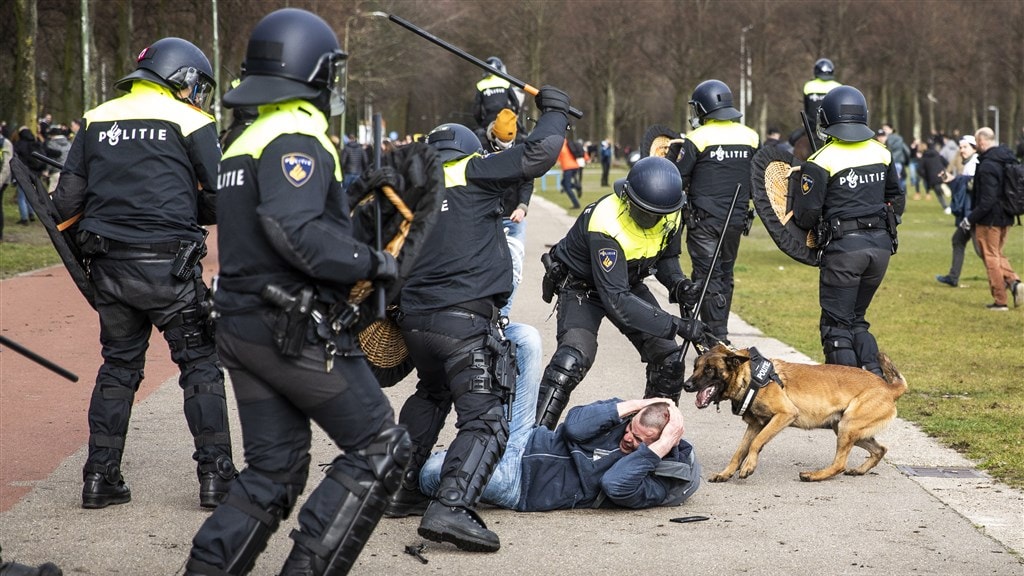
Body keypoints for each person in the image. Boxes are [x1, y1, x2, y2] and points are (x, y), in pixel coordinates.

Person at [183, 9, 409, 575]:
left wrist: (351, 191)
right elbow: (294, 232)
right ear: (315, 69)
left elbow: (275, 216)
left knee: (273, 471)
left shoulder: (244, 138)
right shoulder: (295, 132)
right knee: (382, 448)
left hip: (242, 325)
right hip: (292, 330)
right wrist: (374, 262)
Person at [50, 37, 236, 511]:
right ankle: (216, 478)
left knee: (118, 368)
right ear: (184, 77)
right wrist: (179, 201)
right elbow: (220, 197)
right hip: (170, 270)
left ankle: (99, 478)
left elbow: (65, 206)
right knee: (199, 367)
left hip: (109, 268)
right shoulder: (192, 120)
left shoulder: (95, 118)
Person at [384, 87, 571, 553]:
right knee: (486, 419)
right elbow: (539, 153)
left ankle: (399, 488)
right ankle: (452, 506)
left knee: (432, 393)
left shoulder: (411, 191)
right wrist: (556, 110)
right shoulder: (470, 169)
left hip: (416, 323)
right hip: (463, 322)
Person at [534, 156, 710, 430]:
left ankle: (648, 438)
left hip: (628, 280)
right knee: (572, 360)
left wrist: (678, 284)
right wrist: (678, 325)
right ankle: (533, 437)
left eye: (658, 215)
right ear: (627, 198)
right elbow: (617, 301)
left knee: (669, 360)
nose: (652, 220)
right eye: (644, 212)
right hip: (583, 288)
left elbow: (666, 258)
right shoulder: (606, 222)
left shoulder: (672, 211)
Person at [421, 390, 700, 512]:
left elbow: (614, 485)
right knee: (526, 342)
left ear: (662, 443)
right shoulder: (623, 418)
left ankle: (446, 461)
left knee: (432, 472)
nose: (629, 439)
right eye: (631, 430)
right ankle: (462, 454)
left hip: (520, 485)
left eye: (641, 440)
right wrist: (633, 405)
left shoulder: (660, 477)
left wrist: (658, 450)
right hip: (522, 440)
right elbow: (572, 428)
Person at [791, 85, 904, 377]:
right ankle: (874, 381)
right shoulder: (882, 152)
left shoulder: (821, 160)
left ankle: (846, 396)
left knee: (836, 325)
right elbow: (896, 199)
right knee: (857, 319)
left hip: (843, 253)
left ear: (827, 119)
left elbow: (806, 216)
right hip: (880, 249)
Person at [673, 79, 760, 344]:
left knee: (707, 275)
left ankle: (715, 337)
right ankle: (717, 331)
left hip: (704, 221)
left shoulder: (697, 138)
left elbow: (679, 178)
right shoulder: (751, 136)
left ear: (703, 108)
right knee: (725, 273)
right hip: (736, 220)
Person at [961, 127, 1022, 310]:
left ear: (981, 142)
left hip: (989, 219)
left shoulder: (988, 165)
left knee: (991, 258)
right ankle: (1015, 283)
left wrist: (970, 218)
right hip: (1007, 216)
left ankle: (1000, 299)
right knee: (997, 253)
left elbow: (987, 199)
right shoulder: (1006, 158)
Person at [936, 135, 981, 287]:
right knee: (958, 240)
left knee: (983, 252)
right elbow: (965, 187)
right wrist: (952, 179)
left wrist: (955, 180)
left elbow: (972, 187)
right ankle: (953, 277)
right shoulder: (969, 163)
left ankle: (1009, 280)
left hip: (973, 214)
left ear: (974, 148)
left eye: (965, 147)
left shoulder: (975, 163)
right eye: (960, 147)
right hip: (968, 214)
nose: (962, 150)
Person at [472, 56, 523, 136]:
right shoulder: (505, 82)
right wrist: (514, 116)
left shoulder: (481, 85)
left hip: (489, 121)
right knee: (523, 135)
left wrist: (481, 123)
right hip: (506, 119)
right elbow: (516, 103)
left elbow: (476, 111)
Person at [802, 58, 842, 146]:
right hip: (835, 129)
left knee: (792, 140)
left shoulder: (808, 86)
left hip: (812, 129)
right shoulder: (839, 87)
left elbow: (807, 110)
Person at [12, 126, 43, 224]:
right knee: (31, 194)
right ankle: (31, 213)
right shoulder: (36, 143)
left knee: (21, 196)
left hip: (22, 172)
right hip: (35, 173)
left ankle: (24, 218)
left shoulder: (19, 145)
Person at [919, 140, 950, 211]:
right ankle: (952, 204)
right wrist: (947, 171)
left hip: (932, 178)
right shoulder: (938, 154)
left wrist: (925, 176)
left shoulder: (924, 158)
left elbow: (920, 170)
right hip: (942, 175)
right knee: (949, 189)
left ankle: (946, 207)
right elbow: (946, 163)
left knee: (939, 194)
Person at [881, 123, 911, 194]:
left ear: (891, 130)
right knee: (901, 180)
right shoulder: (899, 138)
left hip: (891, 162)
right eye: (883, 129)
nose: (884, 131)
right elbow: (907, 151)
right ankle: (903, 195)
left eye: (885, 129)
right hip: (900, 162)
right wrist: (906, 161)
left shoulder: (886, 139)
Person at [557, 136, 582, 209]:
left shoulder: (560, 146)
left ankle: (576, 204)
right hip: (574, 166)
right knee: (563, 183)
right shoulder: (568, 143)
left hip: (568, 168)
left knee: (567, 187)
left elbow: (557, 158)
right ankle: (577, 186)